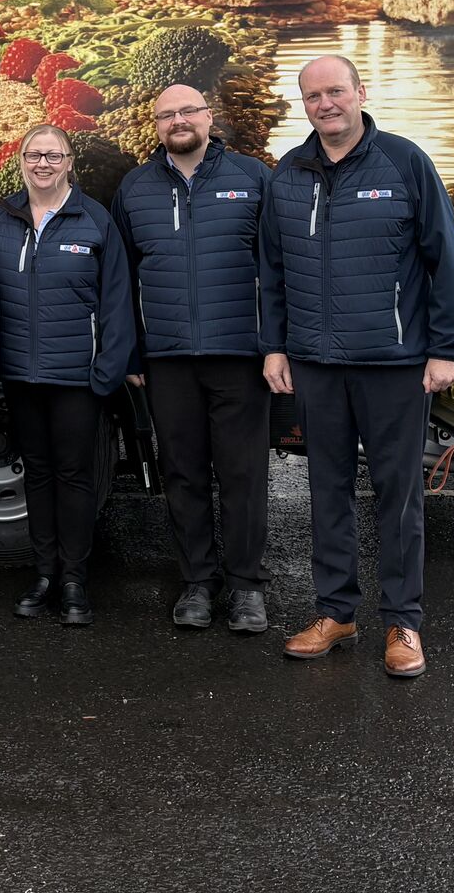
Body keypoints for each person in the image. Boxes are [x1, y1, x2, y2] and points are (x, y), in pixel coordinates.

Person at [260, 55, 454, 679]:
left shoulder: (404, 162)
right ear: (304, 106)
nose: (325, 104)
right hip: (316, 363)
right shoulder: (288, 173)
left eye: (335, 92)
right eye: (313, 96)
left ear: (359, 92)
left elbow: (443, 257)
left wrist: (446, 348)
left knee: (398, 495)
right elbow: (271, 270)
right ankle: (336, 613)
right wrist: (275, 346)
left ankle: (403, 622)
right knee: (326, 490)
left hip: (393, 362)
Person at [111, 83, 274, 635]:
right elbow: (120, 279)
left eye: (188, 111)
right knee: (182, 473)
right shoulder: (135, 187)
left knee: (243, 474)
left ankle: (247, 586)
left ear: (209, 117)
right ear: (156, 126)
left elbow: (276, 268)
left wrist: (275, 345)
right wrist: (132, 351)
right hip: (167, 358)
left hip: (239, 354)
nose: (178, 121)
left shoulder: (252, 178)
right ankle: (198, 582)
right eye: (167, 115)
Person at [0, 122, 135, 625]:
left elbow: (117, 300)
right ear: (21, 161)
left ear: (69, 162)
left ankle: (74, 580)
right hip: (21, 378)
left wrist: (106, 373)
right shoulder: (1, 220)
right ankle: (45, 574)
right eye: (34, 155)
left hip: (76, 379)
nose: (43, 164)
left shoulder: (94, 219)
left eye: (53, 155)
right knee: (39, 475)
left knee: (74, 477)